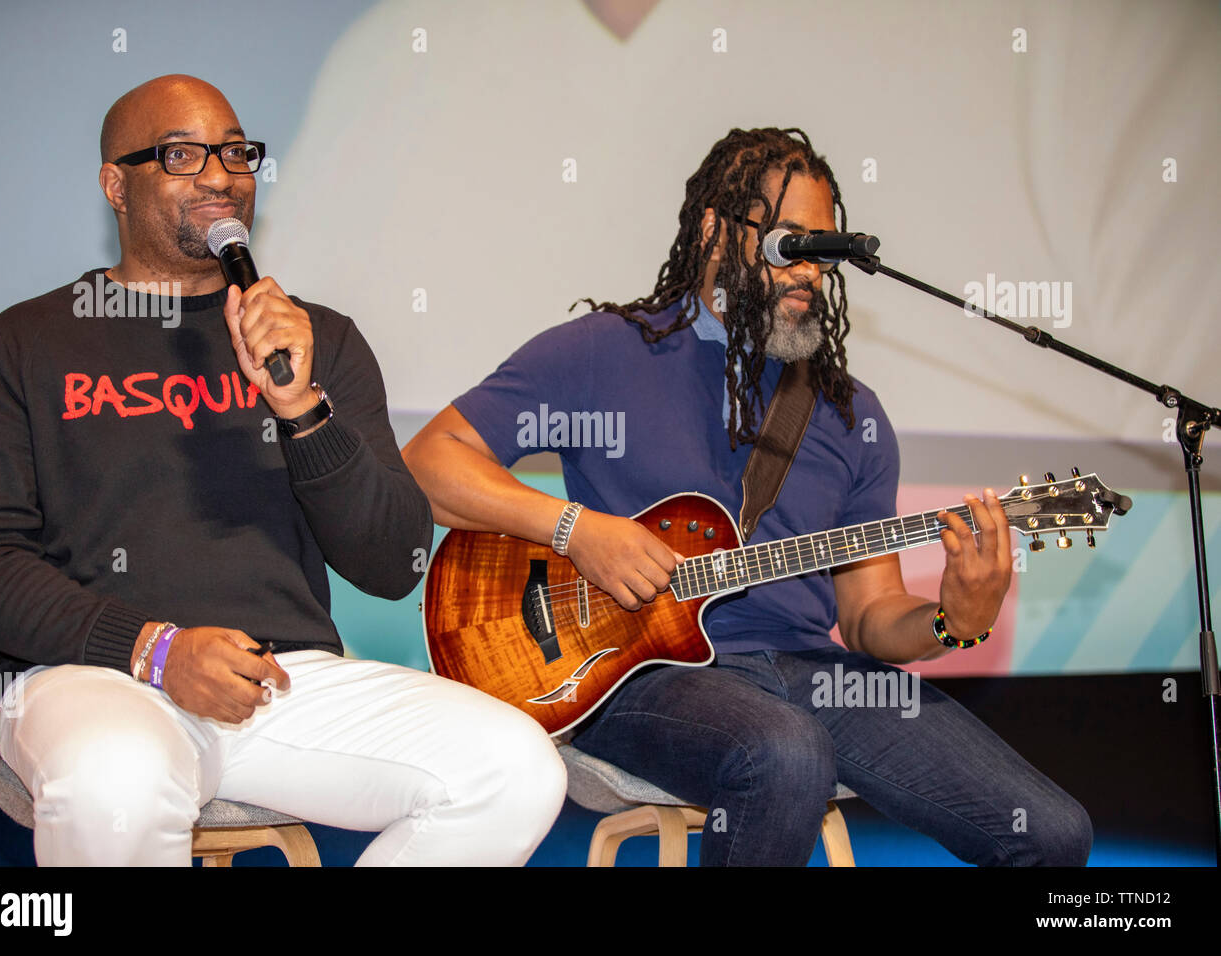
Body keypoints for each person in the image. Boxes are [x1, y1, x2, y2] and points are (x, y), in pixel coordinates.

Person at [403, 127, 1092, 866]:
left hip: (810, 674)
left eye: (825, 254)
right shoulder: (605, 351)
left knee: (1051, 834)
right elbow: (429, 461)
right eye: (793, 244)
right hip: (636, 672)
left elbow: (867, 619)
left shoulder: (848, 414)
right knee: (786, 753)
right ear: (715, 230)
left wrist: (957, 622)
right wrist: (577, 530)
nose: (811, 273)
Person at [0, 74, 565, 866]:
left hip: (282, 679)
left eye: (236, 152)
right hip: (95, 675)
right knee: (118, 778)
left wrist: (302, 407)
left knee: (513, 768)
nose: (222, 175)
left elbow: (394, 562)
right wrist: (156, 650)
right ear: (114, 185)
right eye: (182, 154)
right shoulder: (22, 345)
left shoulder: (316, 341)